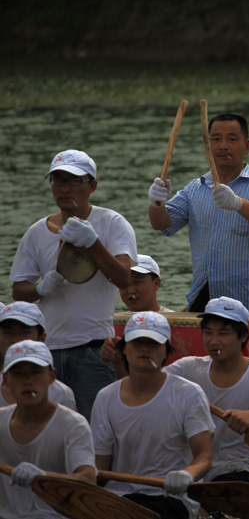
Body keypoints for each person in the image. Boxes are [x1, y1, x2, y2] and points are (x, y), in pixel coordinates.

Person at [10, 149, 137, 420]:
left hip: (93, 349)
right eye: (57, 180)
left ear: (92, 185)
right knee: (47, 428)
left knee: (98, 430)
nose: (64, 188)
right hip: (48, 350)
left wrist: (93, 243)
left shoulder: (111, 223)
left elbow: (124, 278)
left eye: (72, 181)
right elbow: (18, 290)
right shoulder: (36, 232)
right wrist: (40, 289)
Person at [148, 113, 249, 358]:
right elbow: (162, 224)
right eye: (216, 139)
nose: (223, 146)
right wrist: (157, 202)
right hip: (205, 302)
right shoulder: (195, 188)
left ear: (246, 146)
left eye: (232, 139)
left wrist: (238, 203)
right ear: (207, 145)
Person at [92, 311, 215, 519]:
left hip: (171, 498)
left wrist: (188, 474)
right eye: (137, 342)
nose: (145, 349)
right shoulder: (106, 397)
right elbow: (99, 467)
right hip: (119, 497)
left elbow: (204, 457)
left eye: (154, 343)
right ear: (124, 349)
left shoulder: (189, 393)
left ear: (166, 350)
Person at [166, 297, 249, 487]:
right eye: (208, 333)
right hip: (195, 468)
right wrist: (121, 360)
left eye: (223, 333)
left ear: (243, 336)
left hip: (244, 468)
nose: (213, 341)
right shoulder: (187, 368)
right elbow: (147, 385)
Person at [0, 340, 96, 519]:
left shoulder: (74, 424)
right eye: (18, 374)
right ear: (6, 379)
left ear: (51, 376)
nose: (28, 381)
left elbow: (88, 479)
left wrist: (44, 476)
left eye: (36, 372)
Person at [0, 302, 76, 410]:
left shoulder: (61, 395)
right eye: (8, 332)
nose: (16, 340)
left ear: (41, 338)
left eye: (25, 332)